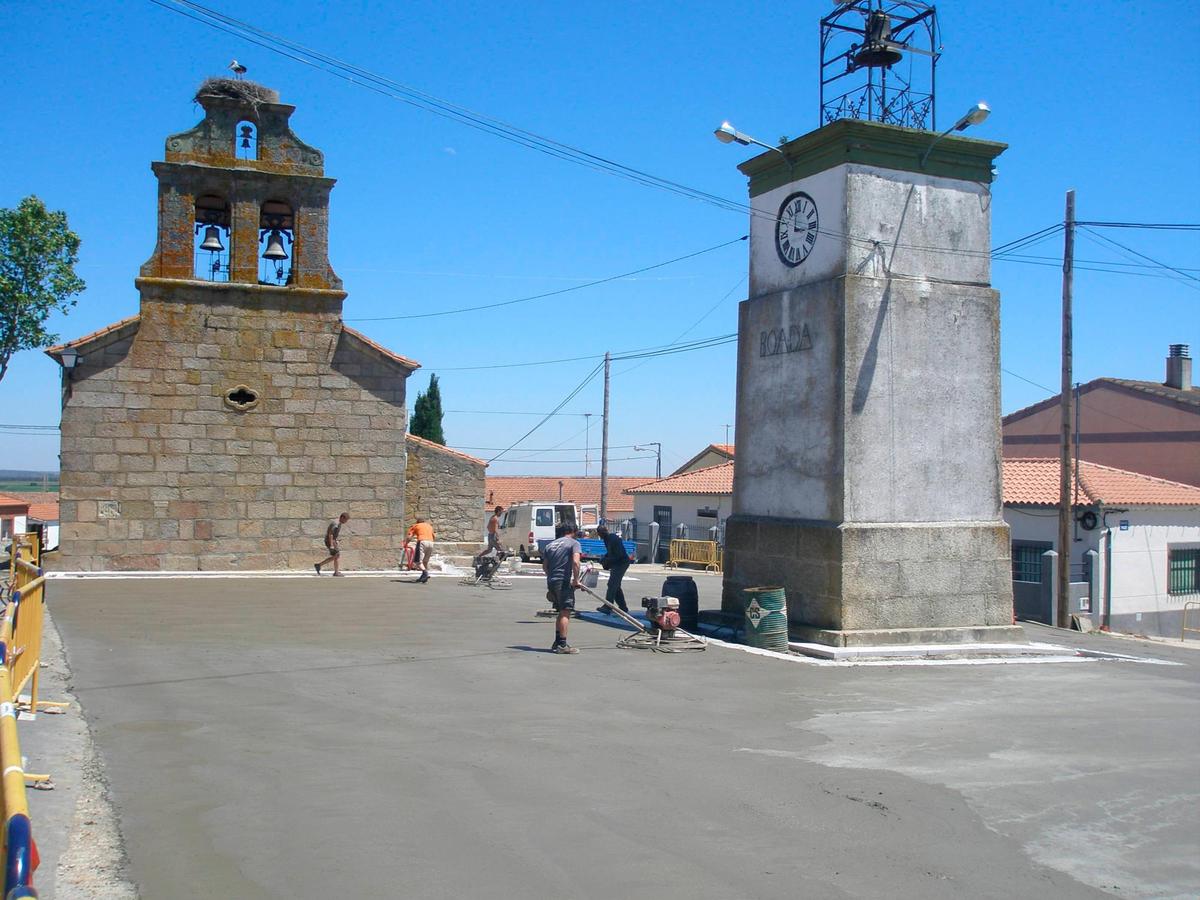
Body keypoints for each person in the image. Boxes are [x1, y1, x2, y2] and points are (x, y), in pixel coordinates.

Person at [541, 523, 582, 654]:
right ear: (572, 531)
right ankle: (563, 645)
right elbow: (576, 562)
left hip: (552, 582)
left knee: (560, 611)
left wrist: (551, 577)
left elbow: (545, 567)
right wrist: (576, 580)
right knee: (566, 611)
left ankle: (557, 641)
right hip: (563, 582)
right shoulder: (573, 543)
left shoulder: (550, 545)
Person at [595, 524, 630, 614]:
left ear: (602, 533)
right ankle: (623, 608)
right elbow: (611, 553)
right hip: (616, 563)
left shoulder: (613, 539)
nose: (600, 536)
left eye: (600, 534)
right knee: (616, 586)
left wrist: (606, 560)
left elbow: (619, 555)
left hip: (621, 563)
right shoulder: (606, 540)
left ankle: (608, 606)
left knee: (612, 584)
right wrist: (604, 558)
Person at [315, 512, 350, 576]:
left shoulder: (338, 523)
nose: (346, 522)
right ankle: (335, 572)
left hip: (332, 541)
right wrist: (331, 545)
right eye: (346, 520)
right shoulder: (335, 524)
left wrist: (336, 540)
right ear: (342, 518)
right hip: (329, 541)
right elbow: (330, 534)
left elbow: (333, 535)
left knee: (336, 556)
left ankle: (319, 565)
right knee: (337, 555)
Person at [407, 517, 436, 584]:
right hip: (431, 542)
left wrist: (406, 543)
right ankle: (423, 577)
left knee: (418, 561)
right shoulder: (429, 526)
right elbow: (434, 536)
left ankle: (425, 573)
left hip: (422, 541)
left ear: (417, 522)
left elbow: (409, 536)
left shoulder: (415, 526)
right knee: (425, 561)